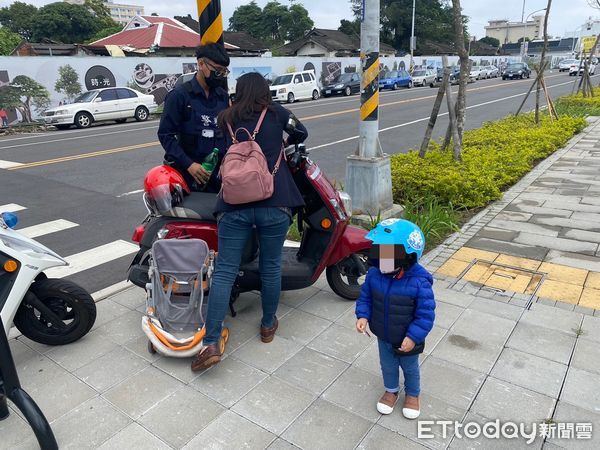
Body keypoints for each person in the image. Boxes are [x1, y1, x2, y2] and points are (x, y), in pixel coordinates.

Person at [191, 72, 307, 371]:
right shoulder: (277, 113)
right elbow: (301, 132)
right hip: (275, 201)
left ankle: (212, 341)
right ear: (264, 91)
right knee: (270, 266)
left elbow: (216, 152)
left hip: (233, 204)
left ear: (238, 91)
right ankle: (268, 326)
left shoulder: (224, 119)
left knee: (226, 270)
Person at [355, 219, 435, 419]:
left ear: (407, 256)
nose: (382, 260)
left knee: (410, 367)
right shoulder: (375, 273)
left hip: (406, 337)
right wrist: (362, 315)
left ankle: (413, 394)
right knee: (387, 365)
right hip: (383, 333)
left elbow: (425, 314)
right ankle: (391, 390)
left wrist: (414, 337)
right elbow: (365, 297)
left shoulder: (419, 282)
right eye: (380, 252)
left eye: (388, 254)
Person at [158, 43, 230, 193]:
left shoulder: (223, 97)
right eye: (217, 71)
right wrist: (189, 164)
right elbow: (166, 135)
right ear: (201, 63)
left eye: (224, 72)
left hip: (218, 175)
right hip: (189, 176)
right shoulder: (179, 96)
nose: (220, 76)